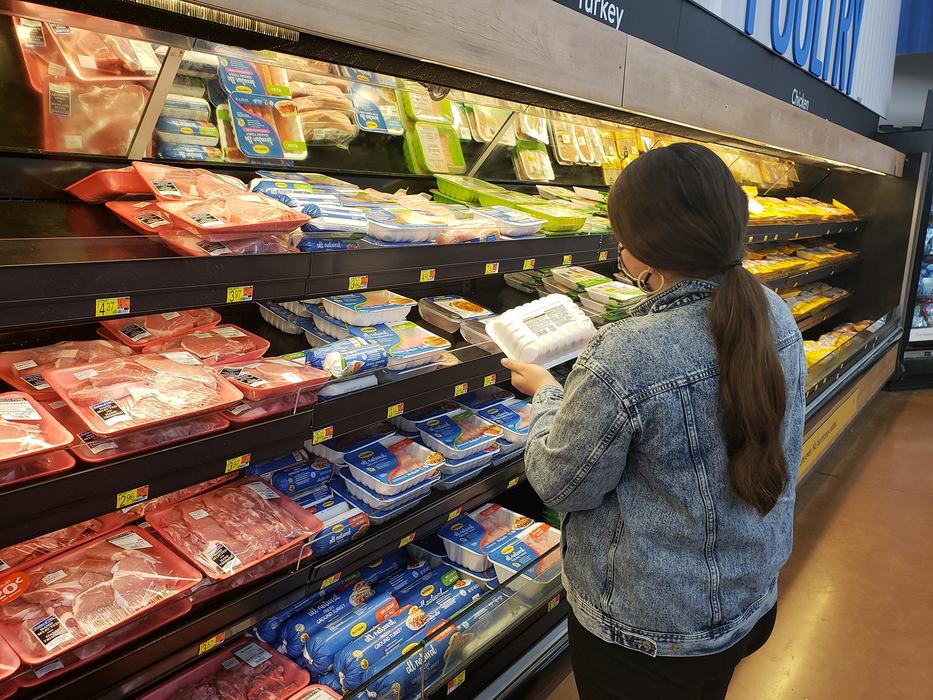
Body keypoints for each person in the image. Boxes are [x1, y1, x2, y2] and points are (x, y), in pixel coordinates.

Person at [503, 143, 807, 700]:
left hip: (649, 635)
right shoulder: (771, 310)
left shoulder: (624, 353)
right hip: (749, 601)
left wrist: (548, 396)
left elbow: (561, 482)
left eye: (622, 235)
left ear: (644, 249)